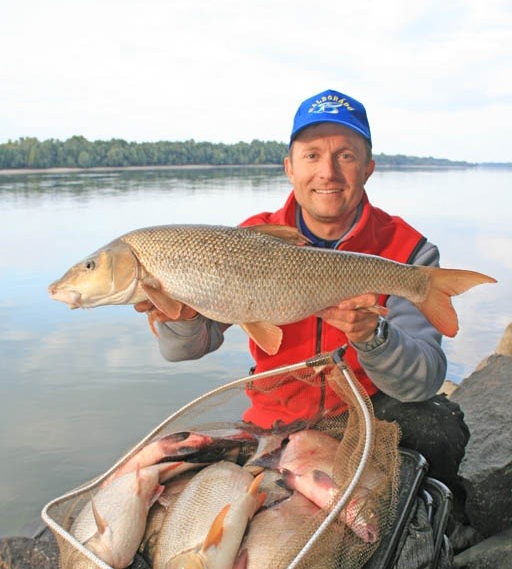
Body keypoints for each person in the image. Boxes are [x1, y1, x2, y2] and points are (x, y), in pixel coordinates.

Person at [135, 88, 469, 481]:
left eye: (345, 155)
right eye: (312, 155)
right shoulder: (243, 241)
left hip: (370, 413)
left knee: (440, 428)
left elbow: (425, 379)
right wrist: (185, 317)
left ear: (368, 168)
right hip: (275, 418)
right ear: (289, 166)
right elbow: (183, 350)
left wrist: (375, 336)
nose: (327, 172)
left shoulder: (408, 251)